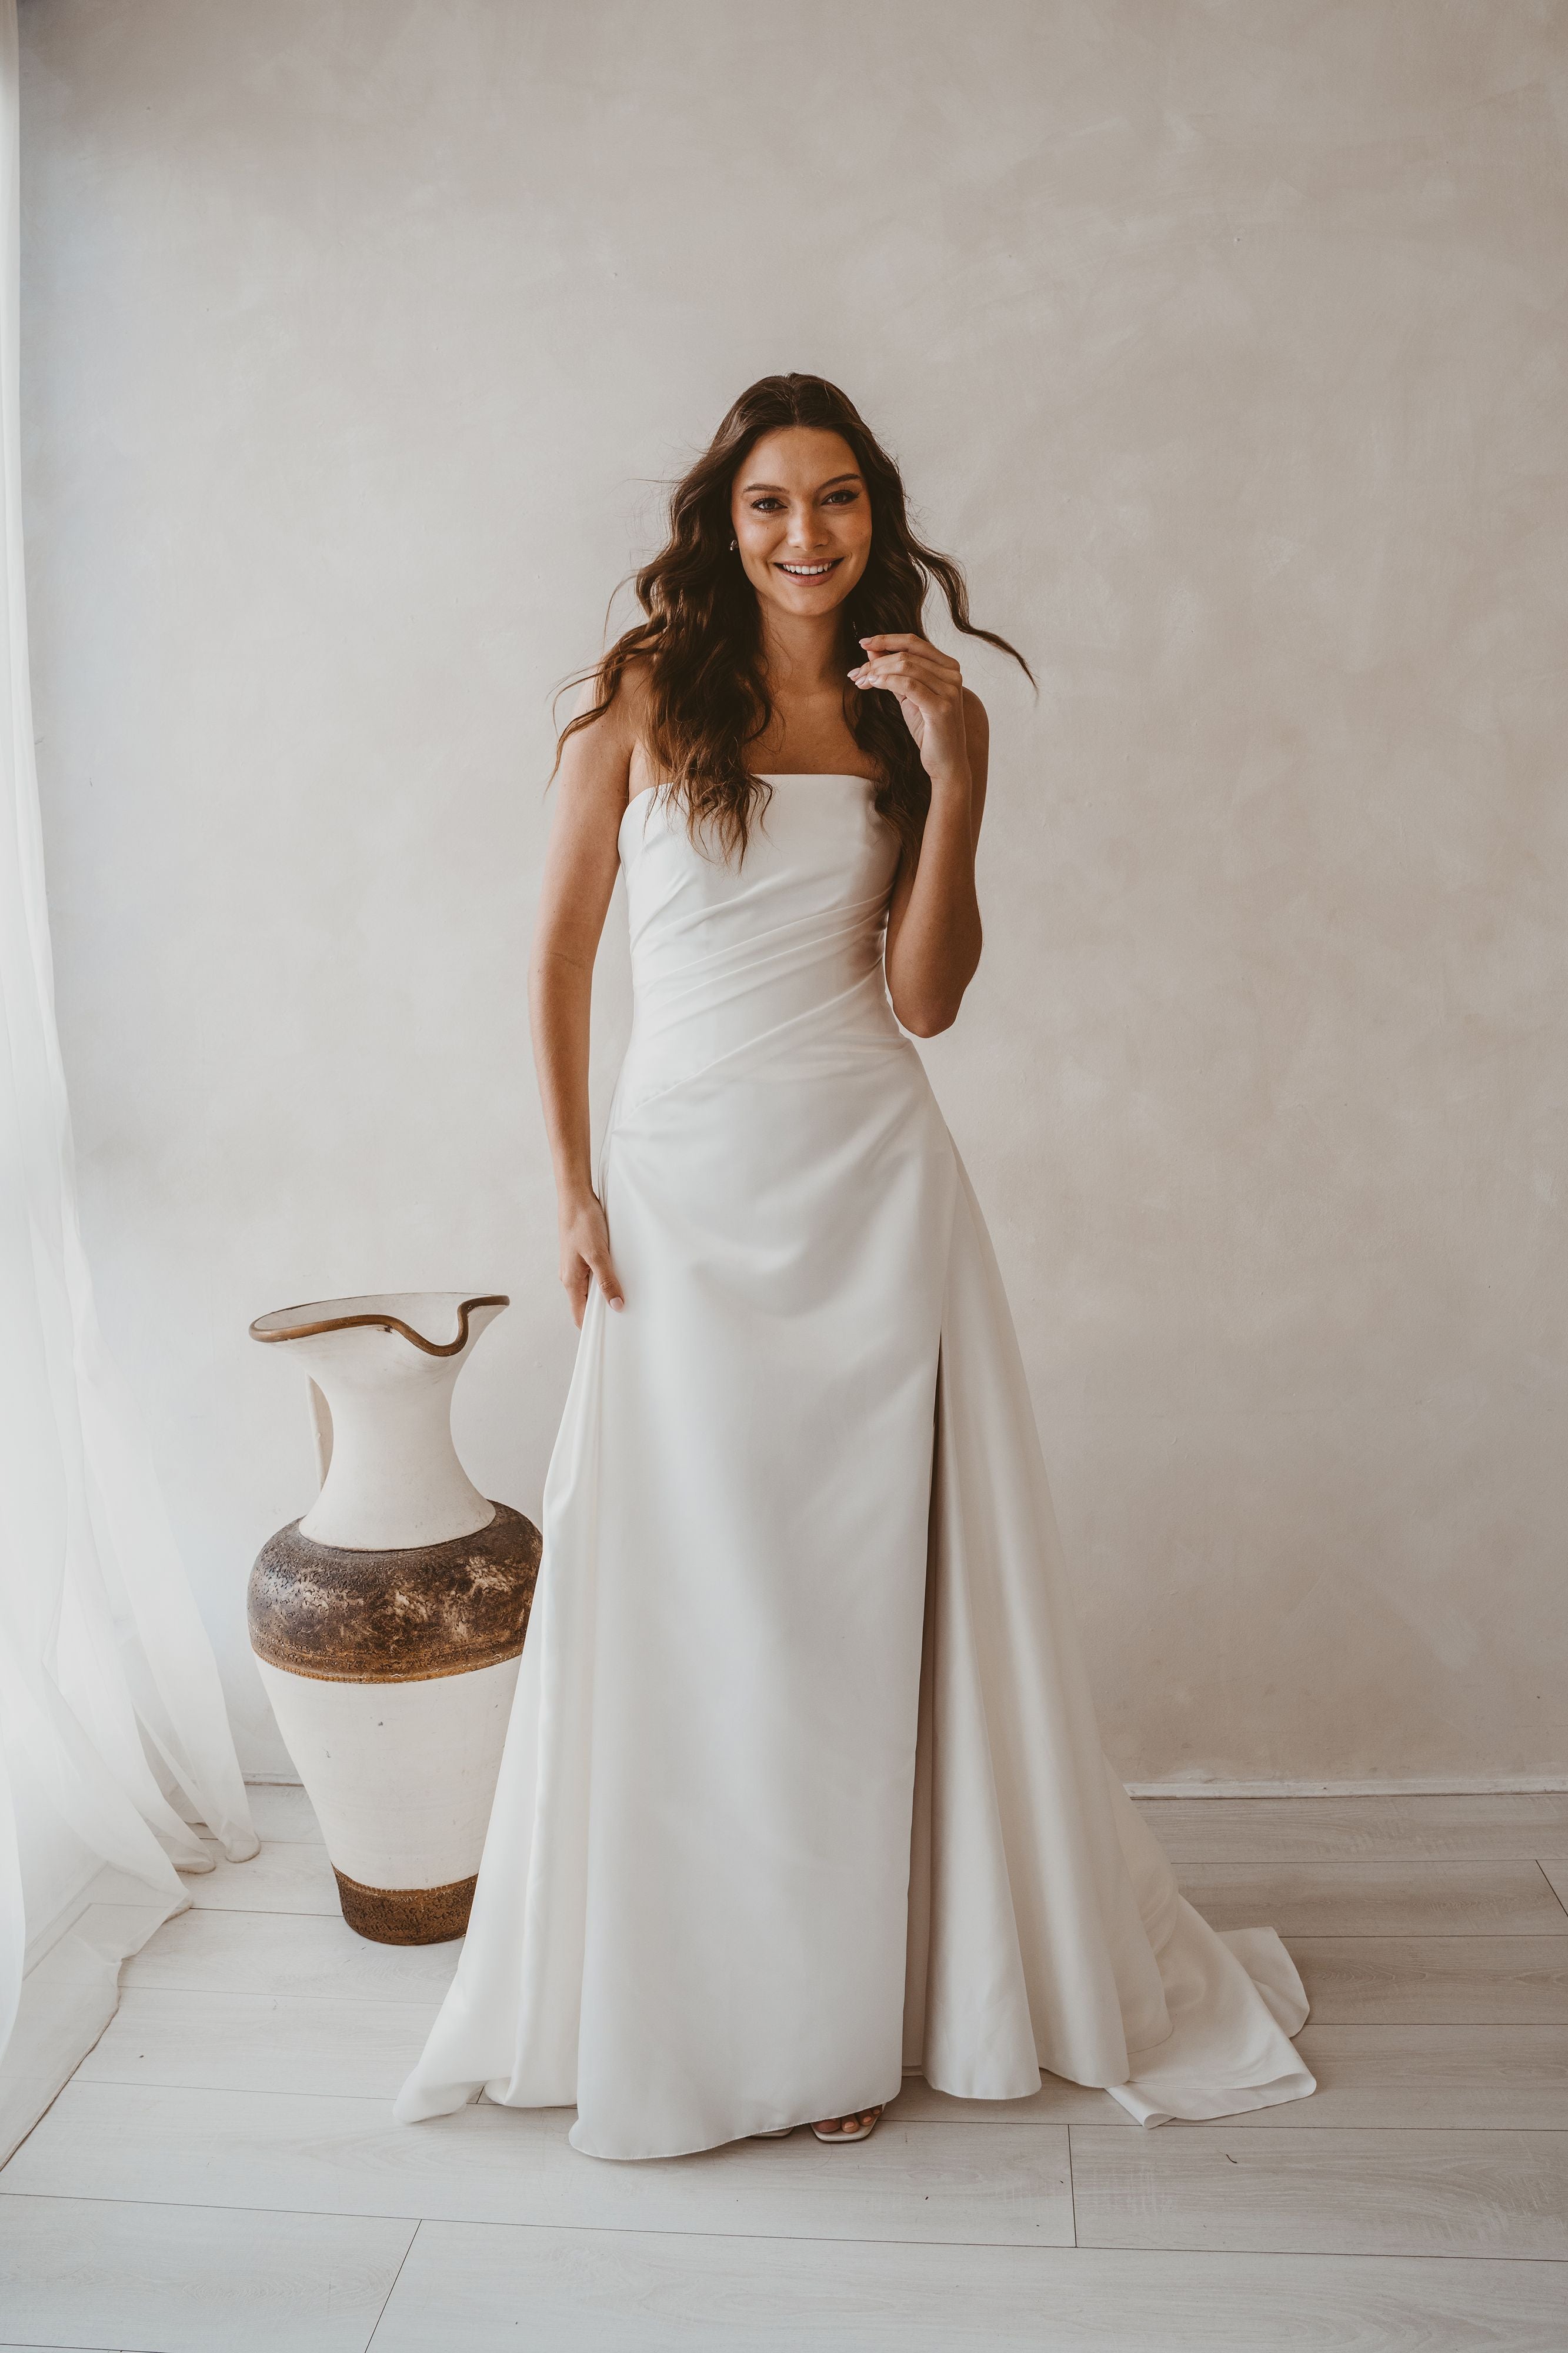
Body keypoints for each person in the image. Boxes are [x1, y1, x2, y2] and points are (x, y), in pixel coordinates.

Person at [394, 372, 1315, 2160]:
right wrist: (573, 1191)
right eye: (768, 503)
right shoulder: (645, 698)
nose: (803, 533)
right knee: (706, 1593)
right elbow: (560, 959)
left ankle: (871, 2002)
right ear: (724, 524)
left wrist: (963, 773)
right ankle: (720, 1996)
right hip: (680, 1200)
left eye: (834, 499)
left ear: (874, 516)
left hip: (871, 1189)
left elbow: (925, 1000)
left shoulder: (912, 714)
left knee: (858, 1598)